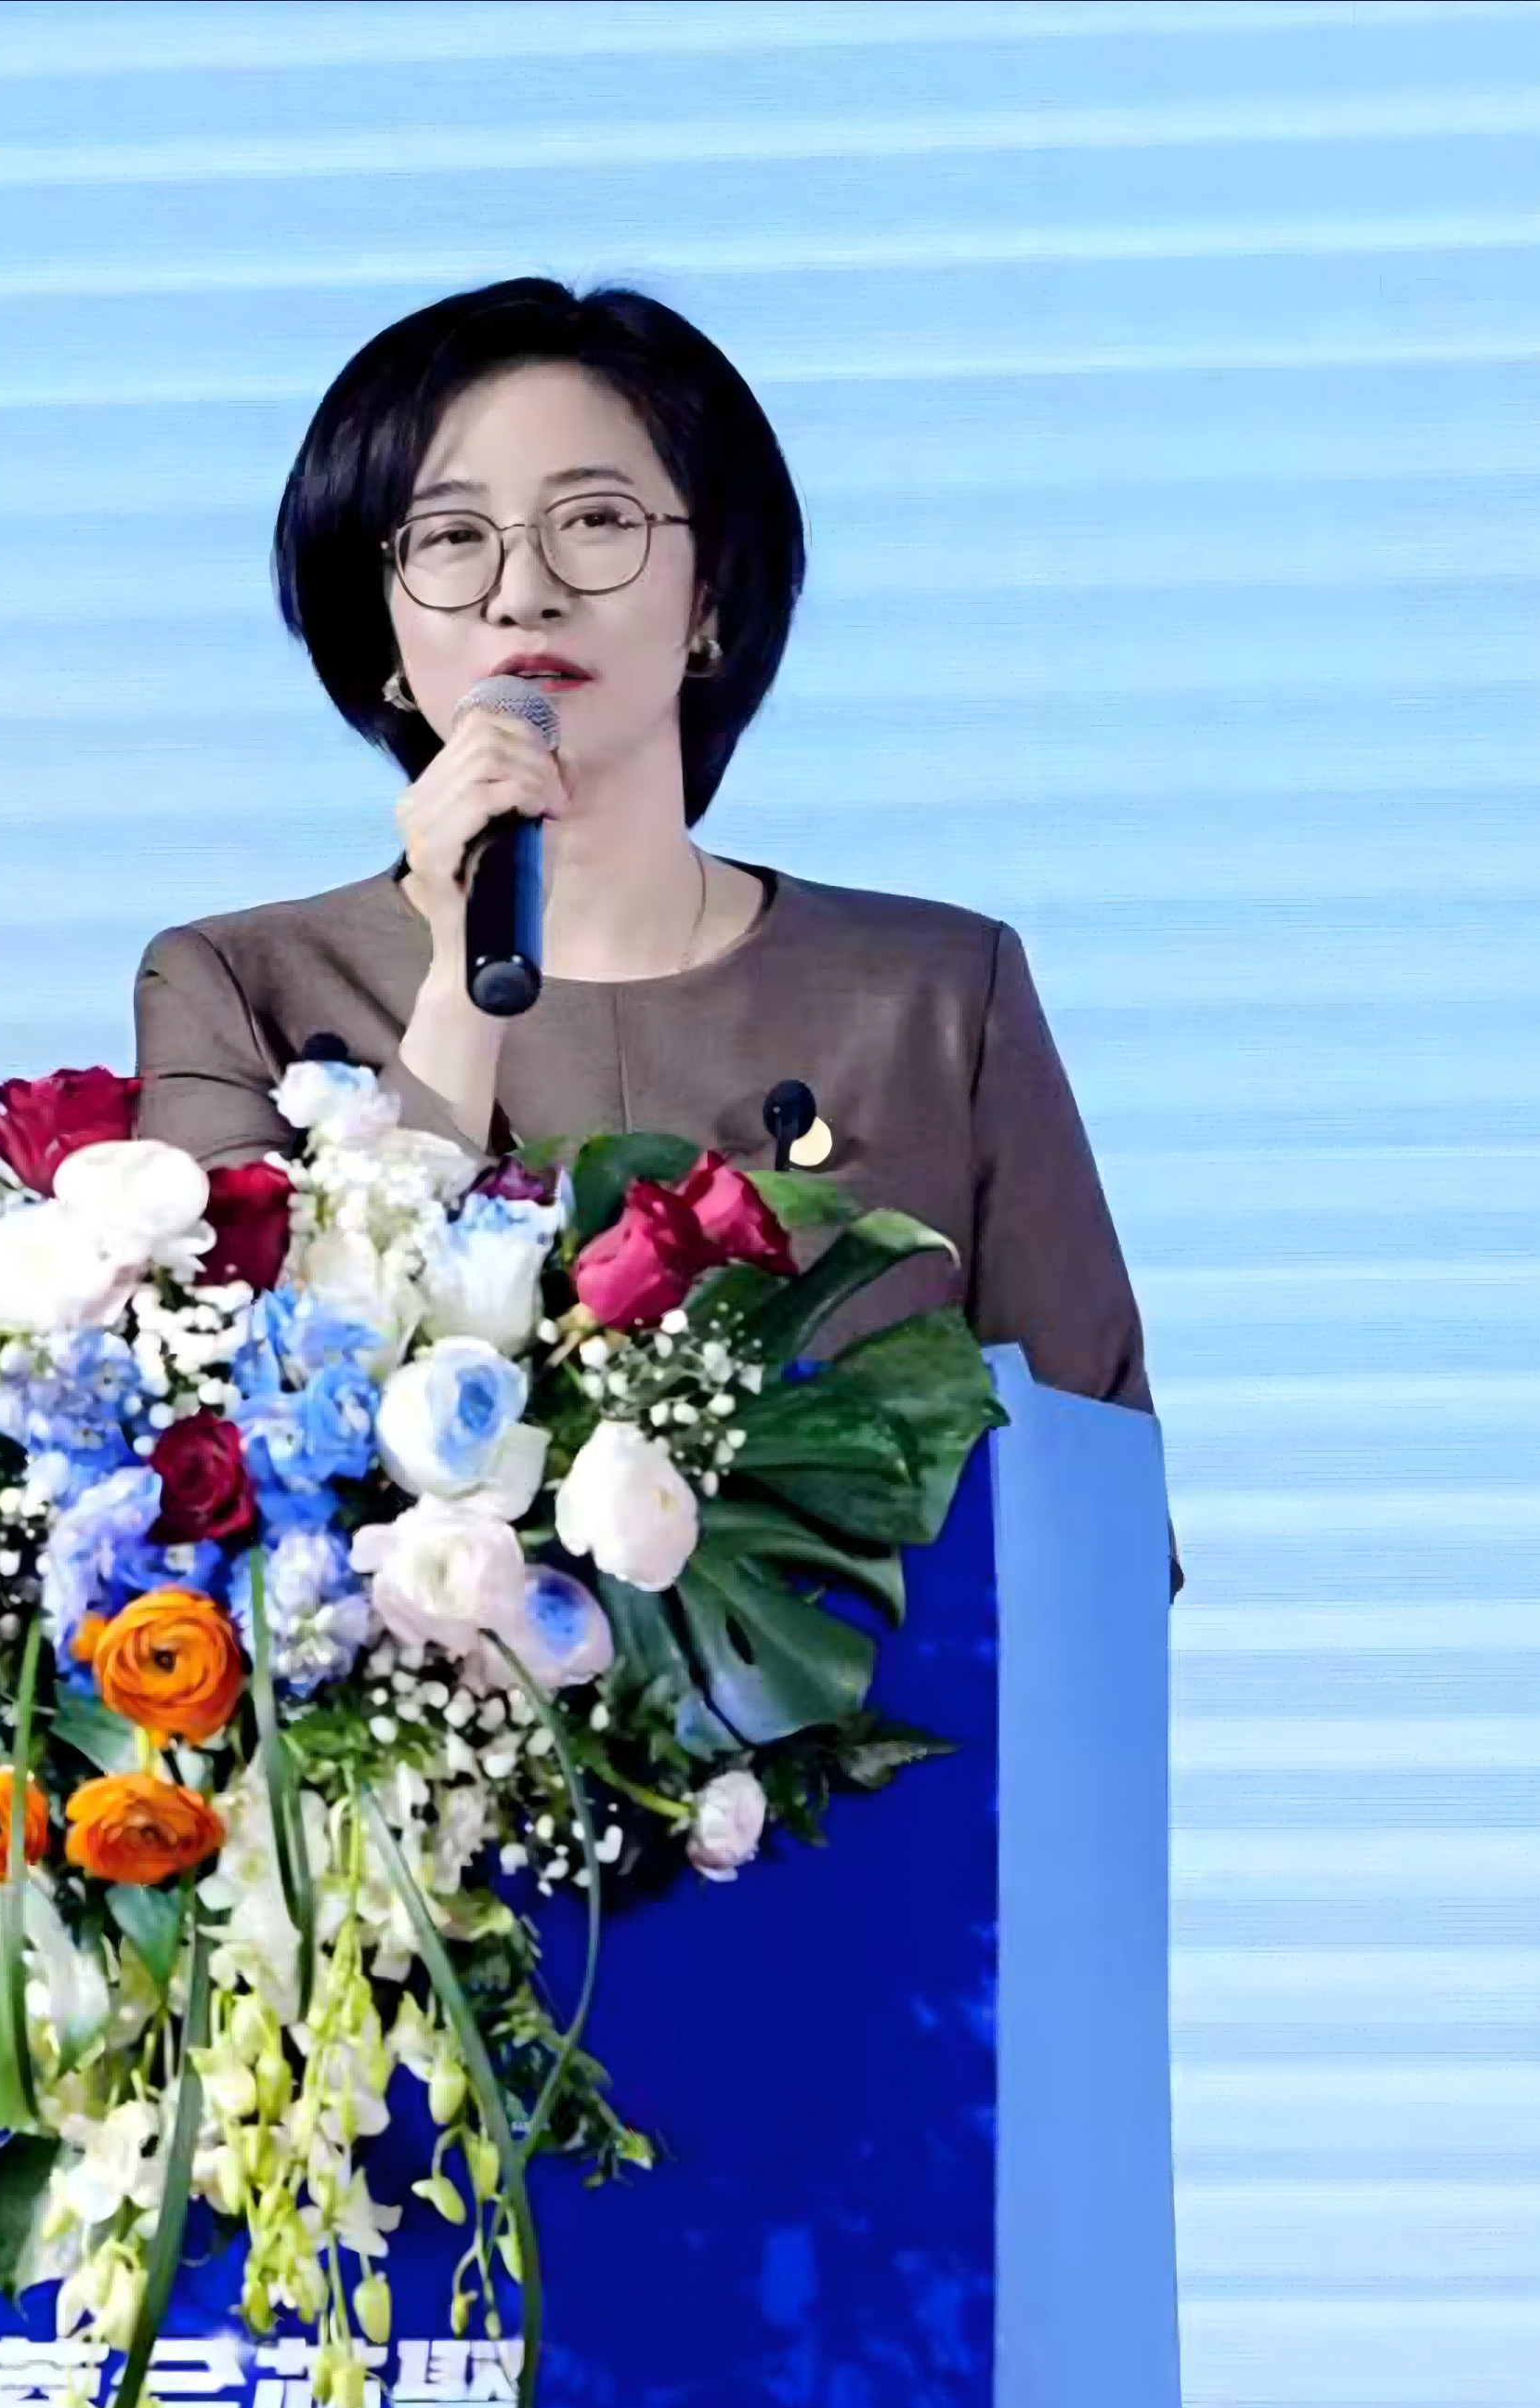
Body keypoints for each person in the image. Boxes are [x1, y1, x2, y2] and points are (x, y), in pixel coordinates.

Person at [127, 278, 1165, 1505]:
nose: (524, 590)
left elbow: (1095, 1504)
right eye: (452, 537)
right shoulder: (235, 991)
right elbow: (246, 1466)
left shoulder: (937, 995)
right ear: (385, 630)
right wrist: (458, 986)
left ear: (708, 595)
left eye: (597, 520)